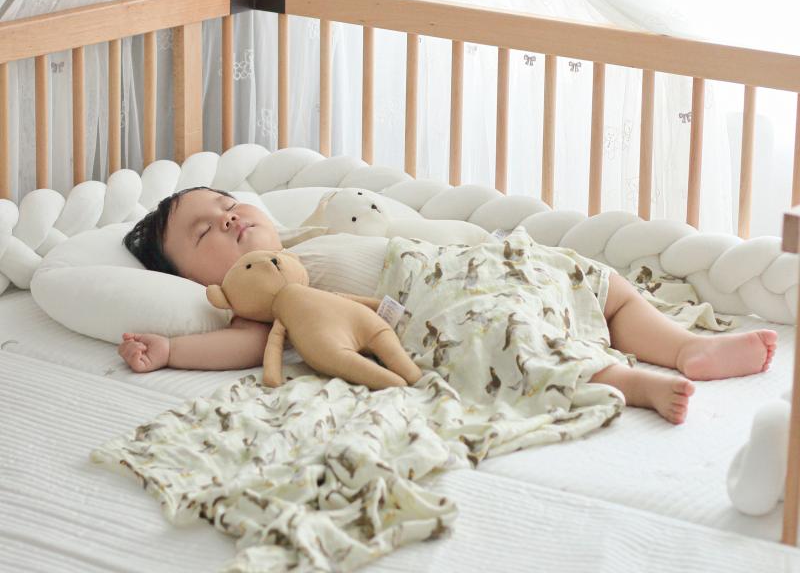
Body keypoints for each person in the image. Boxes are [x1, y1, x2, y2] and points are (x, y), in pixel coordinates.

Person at [118, 186, 778, 424]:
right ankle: (632, 384)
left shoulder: (303, 233)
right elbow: (240, 346)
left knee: (590, 277)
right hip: (433, 309)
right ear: (195, 279)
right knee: (512, 335)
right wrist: (172, 350)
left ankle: (685, 347)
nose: (229, 220)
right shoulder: (261, 302)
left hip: (468, 266)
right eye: (204, 232)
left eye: (229, 206)